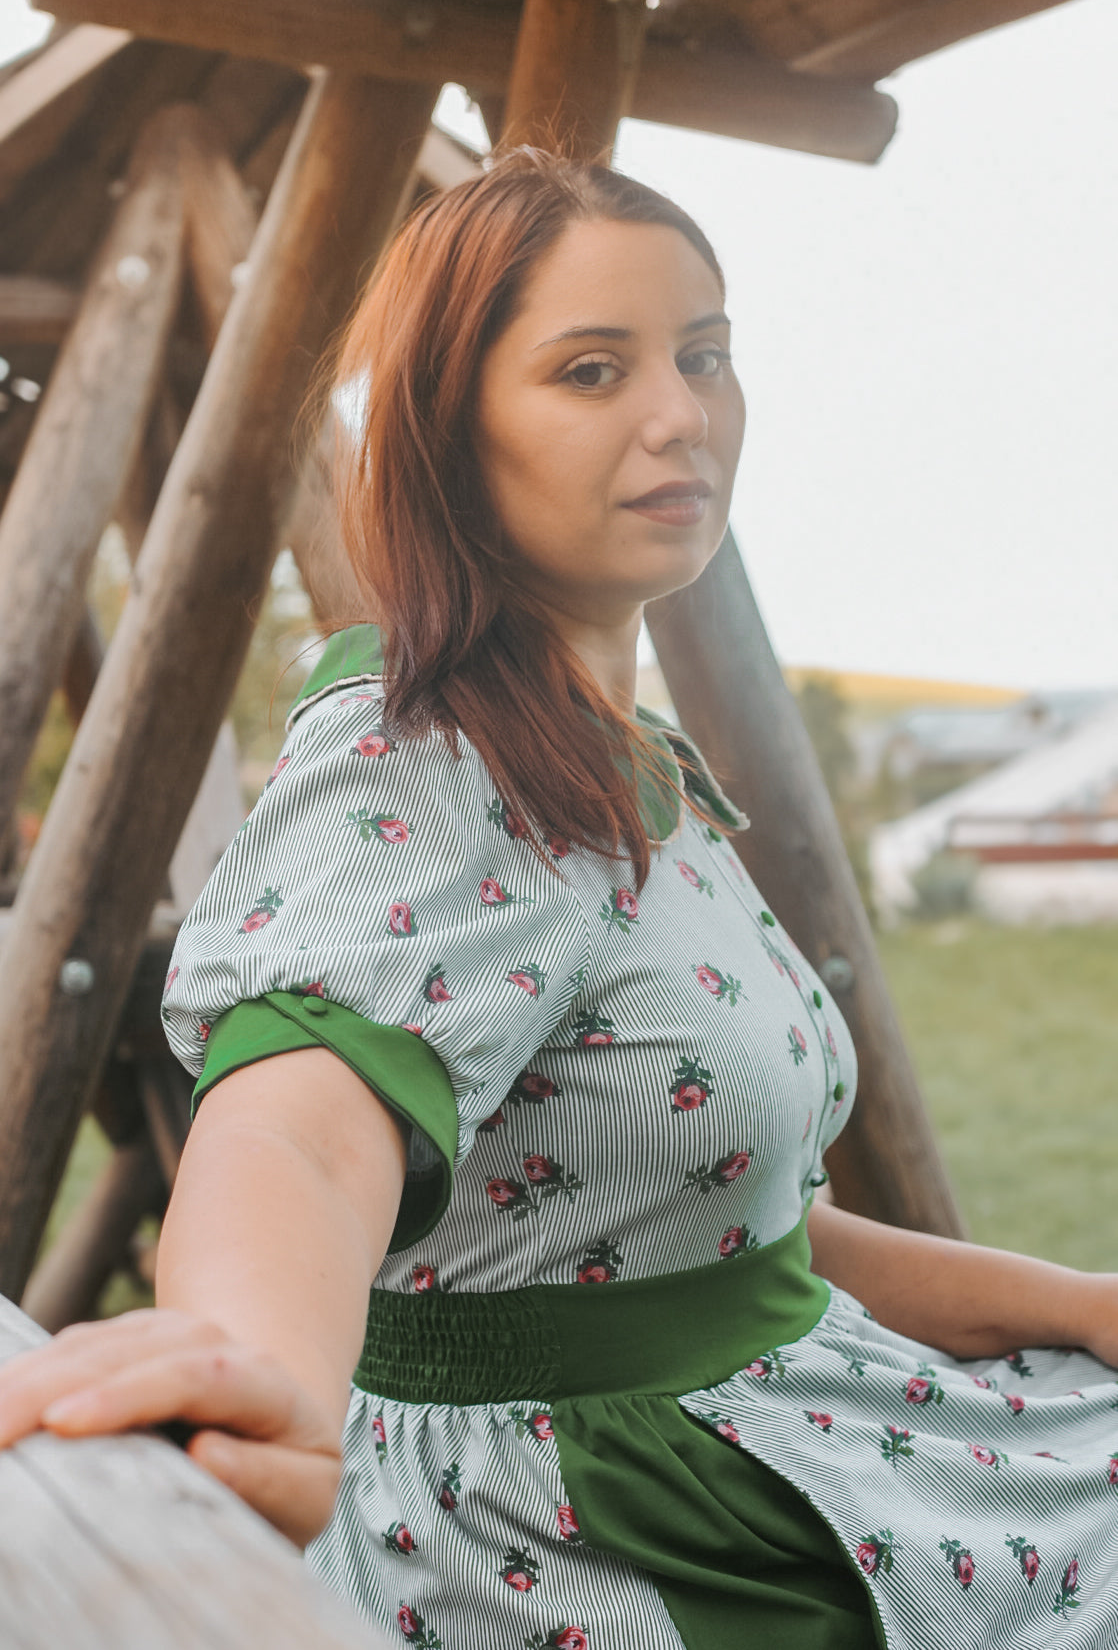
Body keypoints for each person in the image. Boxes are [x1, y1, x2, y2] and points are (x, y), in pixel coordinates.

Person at [1, 147, 1117, 1650]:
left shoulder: (614, 758)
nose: (680, 412)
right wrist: (237, 1364)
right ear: (450, 436)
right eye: (591, 370)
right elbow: (298, 1131)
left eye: (702, 353)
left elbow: (733, 1220)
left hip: (799, 1429)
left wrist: (1078, 1301)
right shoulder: (418, 763)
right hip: (627, 1532)